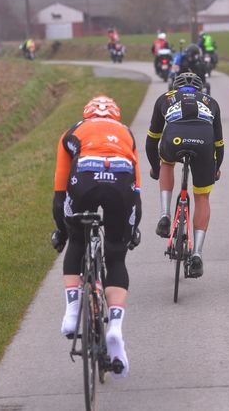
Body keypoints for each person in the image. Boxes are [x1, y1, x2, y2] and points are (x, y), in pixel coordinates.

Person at [50, 95, 142, 378]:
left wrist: (62, 231)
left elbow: (60, 192)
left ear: (86, 114)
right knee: (116, 255)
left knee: (77, 241)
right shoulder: (126, 133)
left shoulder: (73, 132)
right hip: (121, 180)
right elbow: (137, 190)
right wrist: (132, 231)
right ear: (115, 116)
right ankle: (114, 326)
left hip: (85, 179)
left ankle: (72, 312)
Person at [145, 72, 224, 278]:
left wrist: (155, 167)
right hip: (204, 143)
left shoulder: (165, 98)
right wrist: (216, 168)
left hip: (175, 139)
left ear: (175, 87)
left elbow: (152, 140)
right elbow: (219, 143)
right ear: (200, 89)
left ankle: (165, 215)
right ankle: (197, 254)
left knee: (166, 162)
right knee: (202, 197)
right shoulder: (211, 101)